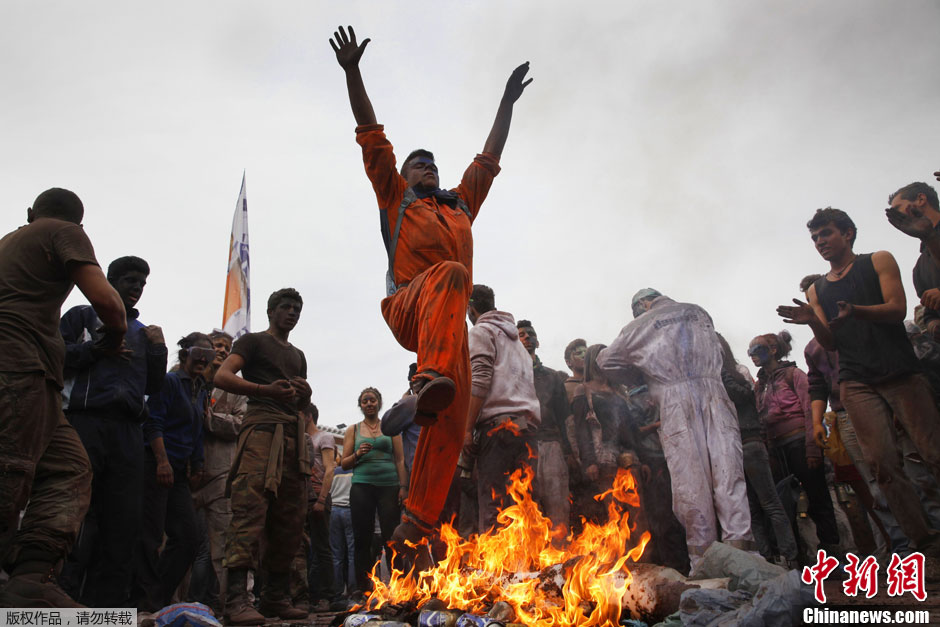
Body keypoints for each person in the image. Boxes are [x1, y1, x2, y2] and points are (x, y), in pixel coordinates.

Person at [330, 24, 532, 553]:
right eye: (421, 163)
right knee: (451, 274)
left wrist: (507, 102)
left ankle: (413, 529)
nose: (430, 168)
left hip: (445, 332)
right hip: (409, 306)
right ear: (405, 172)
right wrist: (353, 72)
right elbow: (370, 131)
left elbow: (489, 158)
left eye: (434, 164)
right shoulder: (396, 197)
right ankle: (428, 382)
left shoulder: (460, 204)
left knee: (451, 423)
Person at [778, 207, 940, 570]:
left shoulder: (878, 260)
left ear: (848, 233)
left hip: (900, 371)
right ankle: (928, 546)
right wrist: (811, 322)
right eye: (815, 237)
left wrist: (858, 311)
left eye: (827, 233)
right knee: (882, 465)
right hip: (856, 380)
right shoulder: (817, 288)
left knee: (933, 453)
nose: (820, 242)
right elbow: (831, 343)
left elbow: (897, 309)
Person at [0, 188, 126, 608]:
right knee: (12, 468)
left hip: (36, 380)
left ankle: (31, 578)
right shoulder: (62, 232)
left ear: (30, 212)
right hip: (20, 368)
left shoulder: (10, 243)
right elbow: (108, 302)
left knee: (70, 468)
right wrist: (117, 333)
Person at [597, 289, 754, 570]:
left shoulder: (639, 325)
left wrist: (639, 374)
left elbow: (605, 361)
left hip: (673, 401)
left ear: (643, 305)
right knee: (729, 476)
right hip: (715, 396)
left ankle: (705, 564)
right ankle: (744, 558)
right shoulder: (698, 311)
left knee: (690, 485)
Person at [58, 255, 167, 607]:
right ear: (110, 280)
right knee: (77, 511)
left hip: (128, 432)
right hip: (85, 422)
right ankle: (62, 598)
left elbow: (153, 385)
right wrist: (98, 348)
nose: (137, 288)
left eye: (142, 284)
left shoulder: (142, 331)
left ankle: (106, 608)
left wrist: (159, 350)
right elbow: (55, 356)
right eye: (130, 280)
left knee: (123, 521)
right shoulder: (82, 315)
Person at [213, 288, 312, 624]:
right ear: (271, 311)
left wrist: (304, 395)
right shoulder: (253, 342)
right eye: (286, 307)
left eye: (297, 309)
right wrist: (262, 390)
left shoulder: (298, 355)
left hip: (292, 440)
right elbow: (222, 376)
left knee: (290, 519)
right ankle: (237, 600)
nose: (292, 313)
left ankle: (275, 597)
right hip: (260, 434)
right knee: (249, 512)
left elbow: (297, 402)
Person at [132, 332, 212, 611]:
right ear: (185, 353)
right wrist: (162, 461)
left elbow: (198, 431)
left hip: (179, 471)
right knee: (150, 535)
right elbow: (153, 422)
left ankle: (158, 597)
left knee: (188, 537)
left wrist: (198, 463)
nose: (204, 358)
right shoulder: (169, 382)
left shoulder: (200, 390)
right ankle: (143, 600)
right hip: (155, 465)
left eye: (209, 355)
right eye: (199, 352)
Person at [748, 331, 840, 556]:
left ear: (773, 350)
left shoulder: (793, 374)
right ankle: (796, 556)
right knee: (784, 503)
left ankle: (833, 553)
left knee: (818, 498)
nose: (752, 355)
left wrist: (812, 447)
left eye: (757, 349)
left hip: (799, 442)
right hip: (777, 450)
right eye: (750, 351)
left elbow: (810, 409)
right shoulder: (759, 385)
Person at [716, 334, 798, 569]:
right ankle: (766, 559)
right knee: (750, 506)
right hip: (732, 447)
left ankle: (790, 557)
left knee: (769, 501)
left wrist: (720, 374)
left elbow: (743, 396)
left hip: (750, 442)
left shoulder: (736, 373)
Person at [462, 285, 540, 533]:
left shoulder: (481, 331)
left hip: (498, 432)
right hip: (527, 432)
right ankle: (526, 569)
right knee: (524, 506)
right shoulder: (518, 345)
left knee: (494, 508)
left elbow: (480, 380)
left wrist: (466, 430)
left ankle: (498, 573)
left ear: (470, 308)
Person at [189, 330, 246, 611]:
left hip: (221, 472)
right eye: (217, 346)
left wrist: (209, 417)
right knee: (178, 543)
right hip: (184, 471)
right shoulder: (186, 377)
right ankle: (171, 606)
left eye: (227, 347)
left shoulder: (237, 386)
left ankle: (230, 607)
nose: (222, 350)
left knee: (222, 545)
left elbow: (241, 423)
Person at [340, 388, 408, 594]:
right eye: (365, 401)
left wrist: (403, 487)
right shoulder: (353, 429)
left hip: (389, 486)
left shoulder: (390, 428)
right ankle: (364, 587)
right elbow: (343, 463)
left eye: (372, 400)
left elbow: (400, 459)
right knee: (363, 538)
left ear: (379, 403)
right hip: (362, 486)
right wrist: (357, 454)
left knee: (392, 536)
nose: (369, 403)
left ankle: (400, 586)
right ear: (360, 405)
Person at [517, 320, 572, 533]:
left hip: (551, 445)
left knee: (557, 506)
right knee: (526, 509)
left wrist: (569, 452)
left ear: (537, 342)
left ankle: (559, 561)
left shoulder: (552, 377)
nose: (526, 337)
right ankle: (531, 564)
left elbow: (565, 418)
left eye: (530, 334)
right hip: (521, 448)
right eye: (521, 335)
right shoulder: (508, 375)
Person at [885, 177, 940, 339]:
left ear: (921, 199)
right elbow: (930, 313)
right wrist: (932, 324)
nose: (896, 215)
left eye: (898, 208)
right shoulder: (920, 268)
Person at [300, 403, 340, 609]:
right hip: (302, 498)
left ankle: (327, 595)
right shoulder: (301, 440)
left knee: (321, 546)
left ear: (308, 416)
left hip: (317, 495)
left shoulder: (324, 437)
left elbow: (330, 469)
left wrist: (322, 499)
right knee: (305, 548)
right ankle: (311, 594)